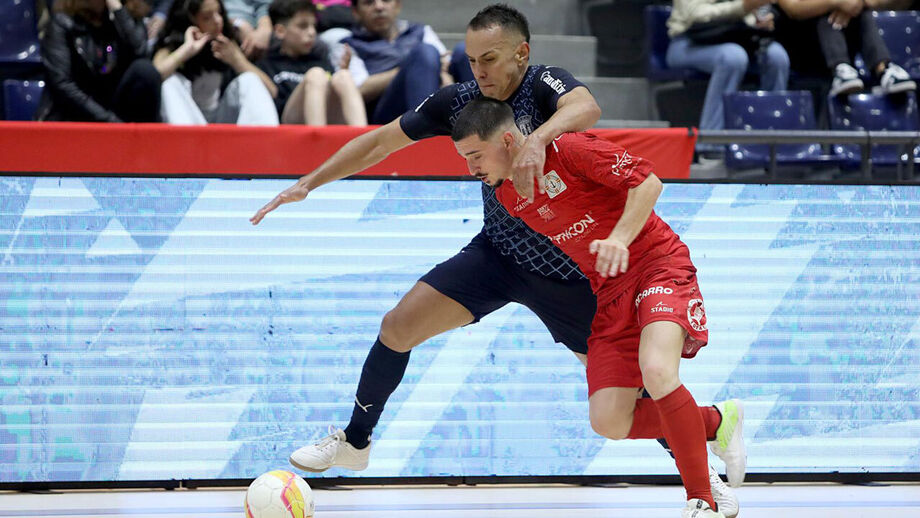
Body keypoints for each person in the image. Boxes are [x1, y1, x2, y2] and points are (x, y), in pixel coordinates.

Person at [249, 4, 739, 516]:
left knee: (630, 395)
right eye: (471, 58)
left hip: (573, 270)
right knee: (397, 325)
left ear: (521, 54)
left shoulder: (545, 84)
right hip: (499, 254)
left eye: (489, 59)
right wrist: (309, 182)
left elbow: (586, 107)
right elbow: (381, 141)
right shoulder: (460, 102)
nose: (478, 70)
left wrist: (537, 141)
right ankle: (355, 440)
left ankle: (702, 474)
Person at [451, 97, 746, 518]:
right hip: (609, 293)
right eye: (464, 158)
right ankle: (716, 422)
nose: (471, 168)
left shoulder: (570, 150)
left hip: (656, 265)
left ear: (509, 140)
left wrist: (620, 239)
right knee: (609, 420)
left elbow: (648, 184)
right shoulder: (509, 197)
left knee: (658, 371)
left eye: (475, 155)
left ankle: (704, 498)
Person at [666, 0, 790, 146]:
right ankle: (711, 144)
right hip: (688, 42)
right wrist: (742, 7)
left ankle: (771, 143)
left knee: (777, 56)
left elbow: (748, 13)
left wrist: (758, 21)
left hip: (735, 37)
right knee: (732, 57)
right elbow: (695, 15)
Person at [337, 0, 469, 124]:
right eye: (368, 2)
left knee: (465, 51)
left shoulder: (420, 31)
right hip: (387, 112)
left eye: (386, 0)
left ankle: (481, 126)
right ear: (355, 12)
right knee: (423, 53)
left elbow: (445, 62)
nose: (379, 7)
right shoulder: (349, 45)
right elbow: (359, 89)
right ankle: (424, 135)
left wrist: (443, 75)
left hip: (435, 93)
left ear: (397, 5)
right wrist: (408, 69)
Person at [153, 0, 279, 125]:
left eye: (219, 12)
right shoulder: (171, 45)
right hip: (186, 122)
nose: (218, 20)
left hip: (218, 119)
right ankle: (188, 142)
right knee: (170, 82)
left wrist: (237, 61)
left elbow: (272, 91)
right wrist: (186, 50)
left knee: (250, 79)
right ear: (190, 20)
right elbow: (154, 77)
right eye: (207, 17)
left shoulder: (226, 43)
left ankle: (264, 141)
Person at [37, 0, 162, 122]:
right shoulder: (62, 22)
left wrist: (119, 10)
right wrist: (108, 120)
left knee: (145, 71)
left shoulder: (120, 18)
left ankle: (146, 139)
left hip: (111, 106)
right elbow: (62, 83)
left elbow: (141, 53)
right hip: (75, 111)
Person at [258, 0, 366, 125]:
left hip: (327, 118)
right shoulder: (267, 63)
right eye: (303, 26)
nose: (312, 32)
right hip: (288, 123)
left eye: (313, 26)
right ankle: (317, 140)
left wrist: (343, 71)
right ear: (280, 31)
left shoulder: (321, 60)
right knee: (316, 75)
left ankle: (363, 139)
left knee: (343, 76)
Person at [774, 0, 916, 96]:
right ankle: (841, 69)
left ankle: (884, 70)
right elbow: (793, 9)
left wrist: (854, 3)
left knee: (861, 10)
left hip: (841, 41)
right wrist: (836, 2)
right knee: (824, 10)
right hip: (800, 45)